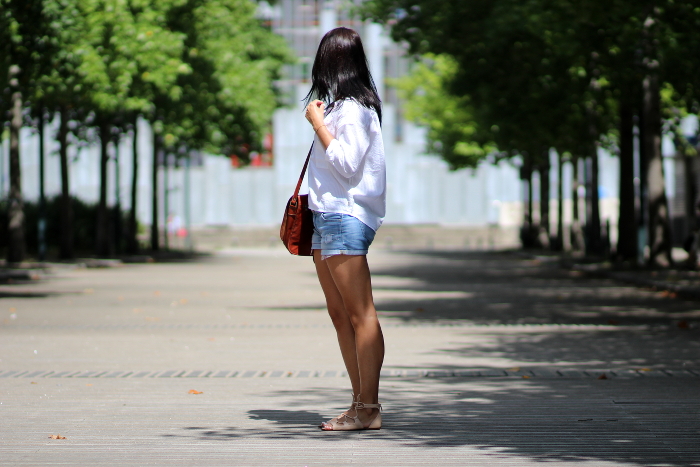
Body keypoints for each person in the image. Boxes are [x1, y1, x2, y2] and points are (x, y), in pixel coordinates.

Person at [303, 27, 386, 431]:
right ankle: (359, 404)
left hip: (344, 217)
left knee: (360, 314)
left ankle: (368, 407)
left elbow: (347, 164)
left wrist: (318, 122)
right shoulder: (342, 108)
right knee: (340, 315)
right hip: (326, 217)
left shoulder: (352, 109)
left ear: (332, 62)